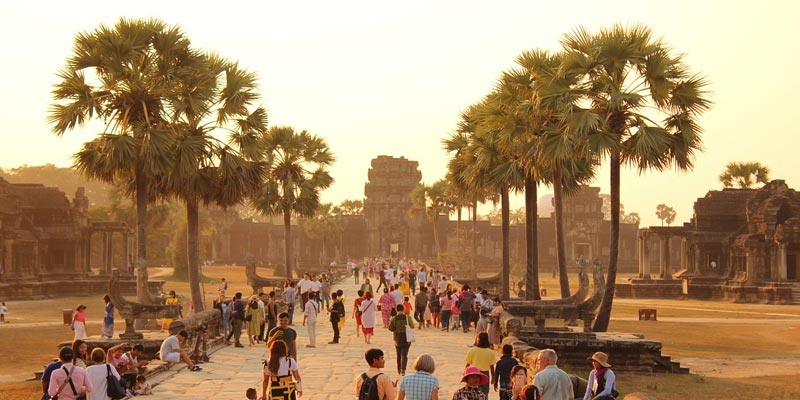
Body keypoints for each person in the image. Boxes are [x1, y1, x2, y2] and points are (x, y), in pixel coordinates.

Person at [465, 332, 496, 397]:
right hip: (485, 374)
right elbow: (492, 366)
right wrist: (493, 377)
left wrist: (466, 374)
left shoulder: (472, 350)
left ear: (478, 340)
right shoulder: (490, 352)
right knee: (485, 393)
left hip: (474, 373)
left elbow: (467, 364)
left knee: (474, 392)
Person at [388, 304, 414, 375]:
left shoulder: (394, 318)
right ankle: (403, 369)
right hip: (406, 338)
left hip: (397, 338)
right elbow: (412, 326)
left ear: (396, 310)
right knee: (404, 355)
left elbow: (391, 328)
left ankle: (398, 369)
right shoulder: (408, 317)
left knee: (398, 355)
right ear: (404, 309)